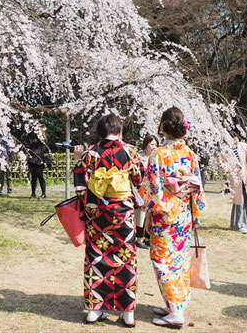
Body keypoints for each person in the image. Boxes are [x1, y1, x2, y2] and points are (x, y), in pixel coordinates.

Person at [73, 114, 144, 327]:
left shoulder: (91, 153)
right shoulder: (130, 151)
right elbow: (138, 179)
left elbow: (80, 187)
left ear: (100, 132)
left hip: (98, 214)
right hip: (123, 213)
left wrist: (78, 161)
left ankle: (94, 310)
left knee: (96, 257)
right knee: (126, 259)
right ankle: (127, 311)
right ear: (119, 131)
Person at [147, 107, 206, 328]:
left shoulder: (158, 154)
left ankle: (176, 312)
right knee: (179, 262)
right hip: (183, 213)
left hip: (165, 214)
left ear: (163, 127)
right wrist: (196, 212)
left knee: (163, 261)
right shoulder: (190, 153)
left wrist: (151, 207)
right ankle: (174, 304)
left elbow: (152, 187)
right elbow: (197, 185)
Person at [225, 131, 247, 234]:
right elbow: (223, 164)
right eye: (232, 139)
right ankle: (239, 224)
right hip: (235, 178)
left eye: (235, 139)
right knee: (239, 200)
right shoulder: (225, 150)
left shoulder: (243, 146)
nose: (234, 141)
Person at [136, 134, 158, 249]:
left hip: (153, 191)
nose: (154, 147)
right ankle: (139, 238)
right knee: (141, 214)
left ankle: (148, 237)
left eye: (156, 144)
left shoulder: (157, 158)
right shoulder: (139, 157)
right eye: (151, 144)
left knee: (152, 214)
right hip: (141, 190)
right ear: (146, 145)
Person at [27, 134, 51, 199]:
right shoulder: (31, 137)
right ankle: (33, 193)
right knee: (33, 177)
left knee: (40, 177)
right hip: (32, 159)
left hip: (39, 160)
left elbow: (45, 145)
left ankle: (43, 193)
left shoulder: (42, 140)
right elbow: (28, 142)